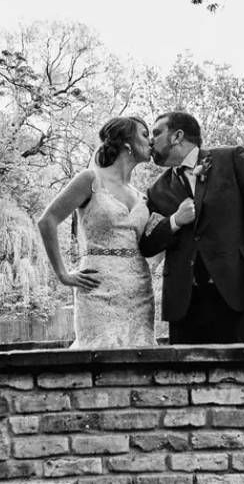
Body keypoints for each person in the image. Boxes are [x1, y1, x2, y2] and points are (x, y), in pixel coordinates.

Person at [139, 111, 244, 344]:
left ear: (177, 136)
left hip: (239, 293)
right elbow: (147, 244)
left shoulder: (231, 159)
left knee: (242, 375)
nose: (151, 140)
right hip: (184, 304)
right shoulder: (156, 191)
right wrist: (174, 222)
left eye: (157, 132)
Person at [37, 116, 157, 349]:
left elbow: (149, 245)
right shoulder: (90, 179)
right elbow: (47, 221)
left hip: (140, 292)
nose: (151, 141)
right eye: (144, 134)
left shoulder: (141, 195)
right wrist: (63, 275)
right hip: (97, 289)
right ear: (127, 142)